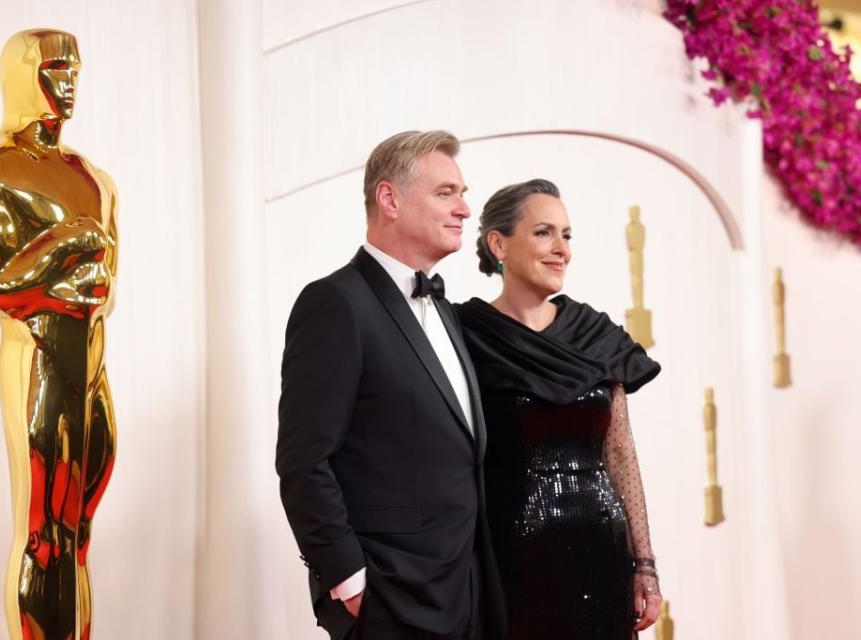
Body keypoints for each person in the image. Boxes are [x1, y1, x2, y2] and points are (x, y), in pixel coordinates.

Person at [276, 131, 506, 639]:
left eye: (463, 193)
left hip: (466, 593)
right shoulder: (335, 304)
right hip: (391, 599)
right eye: (446, 192)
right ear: (389, 199)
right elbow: (303, 462)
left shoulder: (445, 310)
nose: (465, 209)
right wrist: (350, 583)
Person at [0, 29, 117, 639]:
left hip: (92, 364)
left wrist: (80, 274)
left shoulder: (94, 178)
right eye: (56, 70)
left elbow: (106, 286)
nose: (70, 84)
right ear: (26, 77)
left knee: (80, 531)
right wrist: (66, 241)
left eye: (76, 70)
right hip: (37, 360)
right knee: (44, 530)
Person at [455, 179, 662, 639]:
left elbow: (620, 452)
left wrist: (644, 565)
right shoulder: (466, 333)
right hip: (513, 555)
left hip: (602, 550)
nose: (561, 249)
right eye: (544, 233)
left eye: (567, 236)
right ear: (498, 244)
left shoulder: (595, 333)